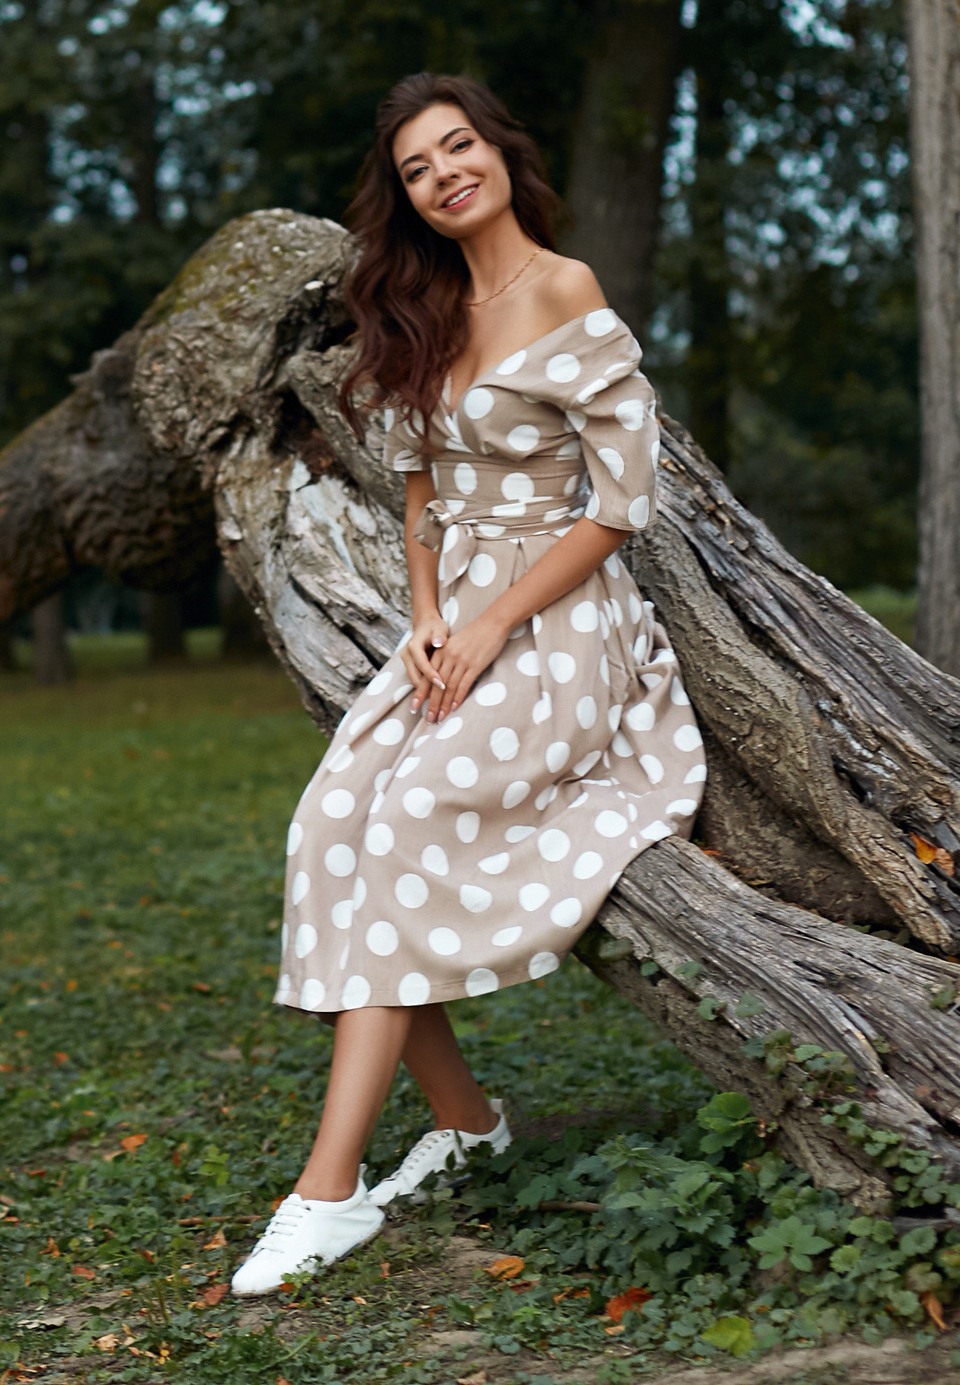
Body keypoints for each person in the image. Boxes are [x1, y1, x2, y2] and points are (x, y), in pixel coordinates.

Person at [231, 73, 709, 1298]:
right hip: (457, 616)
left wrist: (495, 619)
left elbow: (622, 503)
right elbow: (421, 487)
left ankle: (325, 1191)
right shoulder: (430, 306)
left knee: (405, 821)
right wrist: (431, 613)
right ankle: (466, 1120)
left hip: (562, 622)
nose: (444, 173)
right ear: (405, 197)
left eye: (458, 147)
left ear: (499, 150)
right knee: (331, 824)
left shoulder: (564, 288)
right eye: (417, 167)